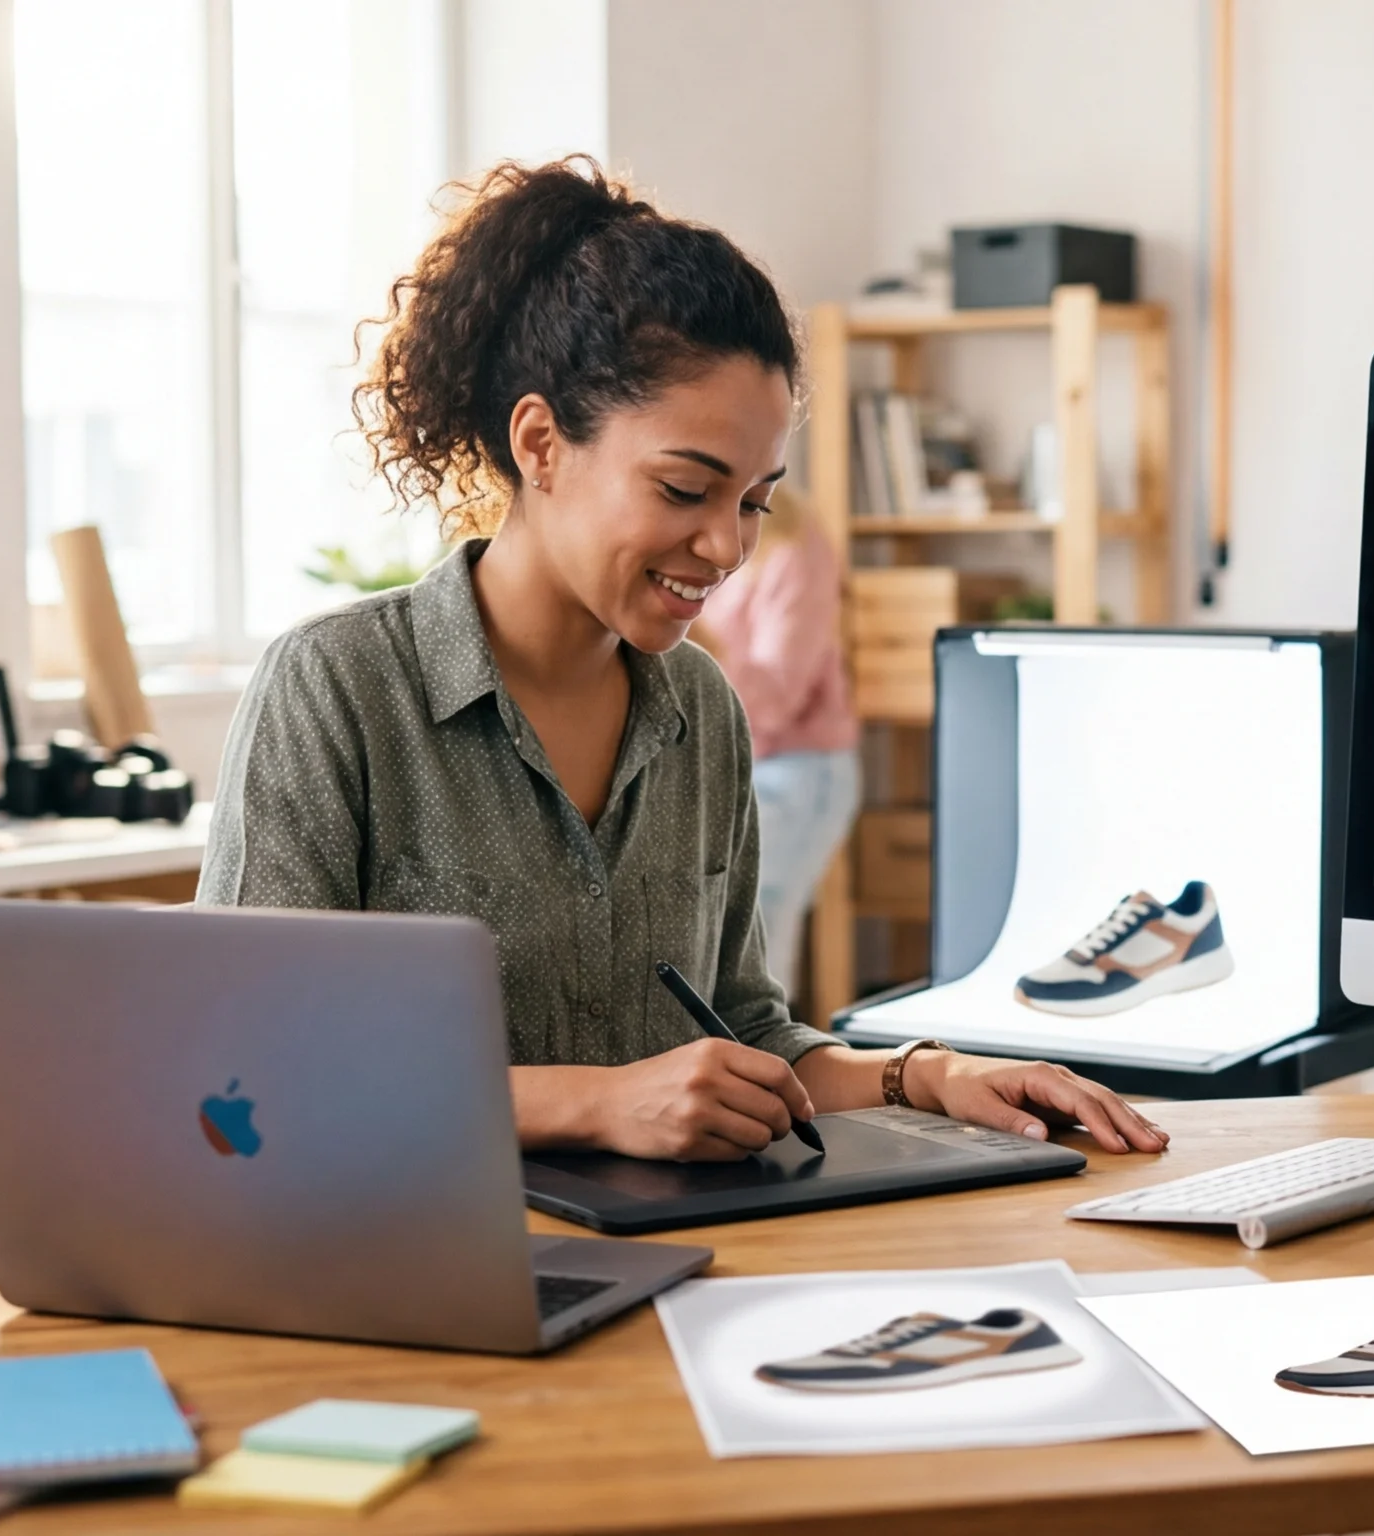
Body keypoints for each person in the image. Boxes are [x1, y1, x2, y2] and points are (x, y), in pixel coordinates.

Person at [197, 157, 1166, 1164]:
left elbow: (743, 1033)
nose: (727, 548)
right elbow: (253, 1068)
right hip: (408, 1264)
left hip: (677, 1269)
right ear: (539, 445)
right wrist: (596, 1104)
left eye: (753, 500)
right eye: (682, 490)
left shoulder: (702, 709)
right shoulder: (338, 688)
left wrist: (925, 1074)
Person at [689, 485, 859, 996]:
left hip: (794, 768)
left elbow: (776, 697)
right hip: (728, 765)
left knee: (753, 959)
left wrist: (694, 639)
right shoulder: (695, 534)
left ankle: (763, 1072)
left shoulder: (794, 546)